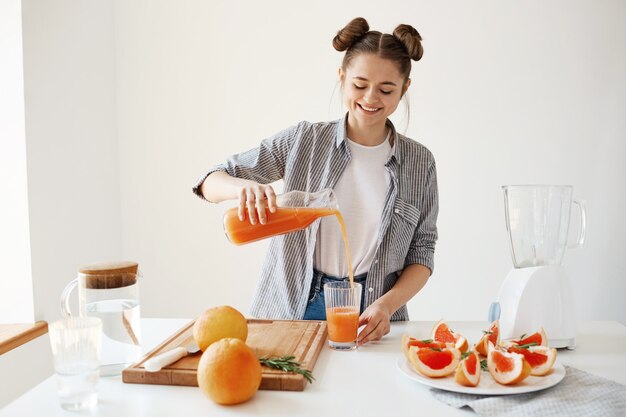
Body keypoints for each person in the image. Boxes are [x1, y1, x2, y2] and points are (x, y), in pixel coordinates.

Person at [193, 17, 438, 345]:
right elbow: (209, 181)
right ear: (342, 78)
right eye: (359, 85)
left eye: (386, 89)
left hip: (371, 315)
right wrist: (242, 188)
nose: (370, 98)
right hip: (290, 306)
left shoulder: (420, 162)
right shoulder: (303, 140)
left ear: (404, 88)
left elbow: (422, 252)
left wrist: (386, 304)